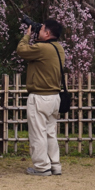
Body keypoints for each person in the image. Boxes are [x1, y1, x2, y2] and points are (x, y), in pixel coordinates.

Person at [16, 18, 65, 176]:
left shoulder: (43, 48)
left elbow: (22, 50)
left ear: (48, 33)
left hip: (40, 97)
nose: (39, 31)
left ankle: (42, 166)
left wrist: (27, 35)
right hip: (54, 97)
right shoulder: (58, 48)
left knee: (38, 133)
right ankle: (55, 164)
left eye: (42, 29)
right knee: (50, 133)